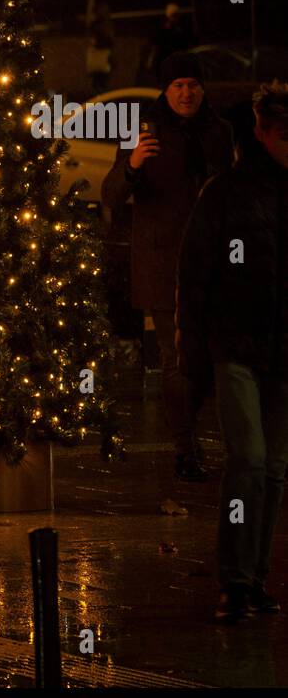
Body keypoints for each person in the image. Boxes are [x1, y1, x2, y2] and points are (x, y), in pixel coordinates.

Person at [177, 81, 288, 622]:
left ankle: (254, 576)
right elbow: (195, 274)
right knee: (249, 461)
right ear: (263, 134)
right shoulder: (226, 193)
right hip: (237, 345)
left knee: (273, 469)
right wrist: (194, 349)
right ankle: (236, 580)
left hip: (280, 349)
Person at [102, 52, 234, 481]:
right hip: (164, 264)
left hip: (215, 266)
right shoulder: (145, 132)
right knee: (176, 360)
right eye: (177, 84)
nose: (186, 92)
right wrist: (134, 163)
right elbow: (111, 194)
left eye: (193, 84)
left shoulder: (219, 132)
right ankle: (186, 447)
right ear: (165, 88)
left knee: (215, 359)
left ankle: (215, 437)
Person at [148, 3, 194, 85]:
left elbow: (187, 43)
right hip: (166, 61)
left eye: (176, 15)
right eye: (173, 15)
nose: (175, 18)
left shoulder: (181, 30)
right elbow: (156, 46)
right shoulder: (163, 30)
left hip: (177, 61)